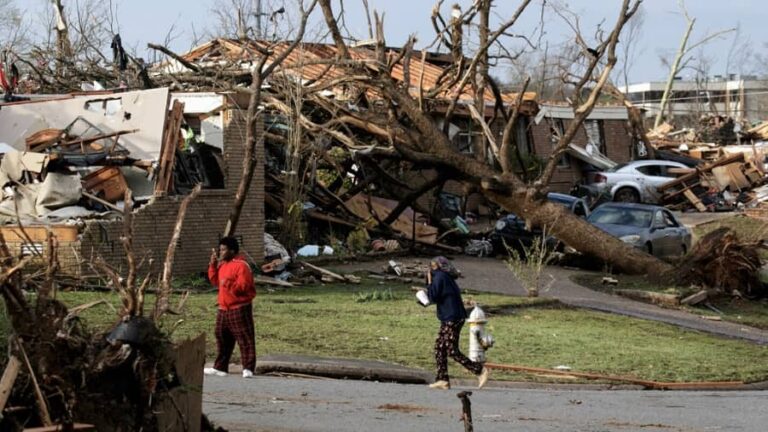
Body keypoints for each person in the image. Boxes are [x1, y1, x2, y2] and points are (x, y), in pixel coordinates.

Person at [425, 256, 489, 390]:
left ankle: (480, 370)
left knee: (451, 349)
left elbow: (433, 297)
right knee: (439, 347)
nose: (430, 268)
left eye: (432, 266)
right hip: (451, 316)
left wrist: (429, 282)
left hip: (452, 317)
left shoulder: (440, 277)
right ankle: (442, 379)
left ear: (437, 266)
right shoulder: (446, 276)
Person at [204, 237, 257, 378]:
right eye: (220, 249)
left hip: (239, 307)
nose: (221, 252)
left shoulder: (241, 265)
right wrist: (212, 265)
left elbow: (244, 287)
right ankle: (220, 367)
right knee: (221, 336)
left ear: (232, 251)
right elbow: (215, 281)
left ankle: (248, 368)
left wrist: (229, 284)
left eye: (223, 250)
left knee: (244, 337)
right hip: (223, 308)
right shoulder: (223, 265)